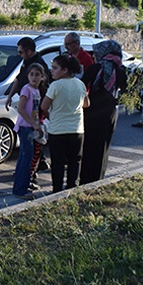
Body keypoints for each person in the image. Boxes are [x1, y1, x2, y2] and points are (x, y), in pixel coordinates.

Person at [4, 37, 52, 187]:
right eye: (32, 75)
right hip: (29, 122)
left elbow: (45, 93)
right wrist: (10, 95)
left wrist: (42, 118)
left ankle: (29, 175)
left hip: (36, 116)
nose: (19, 55)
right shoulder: (27, 84)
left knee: (31, 152)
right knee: (27, 154)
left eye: (20, 52)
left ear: (29, 51)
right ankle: (25, 179)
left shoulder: (38, 67)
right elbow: (19, 80)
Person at [80, 39, 127, 184]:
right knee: (103, 145)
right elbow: (126, 91)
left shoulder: (94, 68)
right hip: (109, 112)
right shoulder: (120, 70)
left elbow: (82, 84)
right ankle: (98, 178)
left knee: (88, 144)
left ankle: (85, 178)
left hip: (91, 110)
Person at [41, 55, 90, 193]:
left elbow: (44, 106)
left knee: (58, 163)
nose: (52, 71)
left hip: (58, 130)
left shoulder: (55, 85)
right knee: (75, 161)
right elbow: (86, 104)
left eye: (55, 68)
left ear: (65, 70)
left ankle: (57, 190)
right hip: (77, 129)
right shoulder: (80, 84)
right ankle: (72, 188)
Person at [12, 63, 47, 200]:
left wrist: (38, 124)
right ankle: (20, 189)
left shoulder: (36, 91)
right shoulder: (26, 89)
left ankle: (23, 184)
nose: (34, 77)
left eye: (37, 74)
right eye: (31, 74)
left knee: (27, 157)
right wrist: (32, 123)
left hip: (32, 126)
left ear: (42, 77)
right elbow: (21, 108)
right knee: (26, 158)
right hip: (25, 126)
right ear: (27, 76)